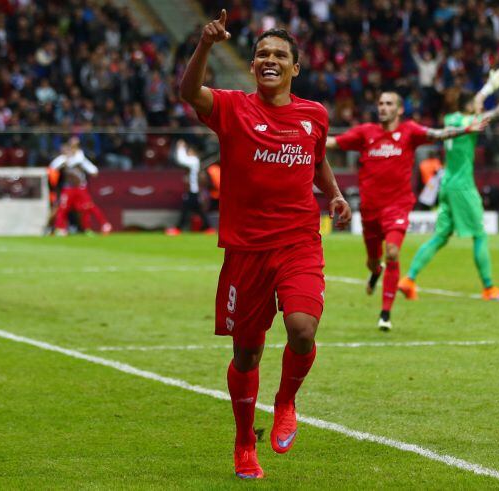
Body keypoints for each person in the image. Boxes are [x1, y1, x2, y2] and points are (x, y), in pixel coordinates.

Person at [179, 11, 351, 480]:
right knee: (246, 354)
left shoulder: (314, 114)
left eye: (279, 55)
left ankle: (286, 401)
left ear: (296, 68)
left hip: (298, 242)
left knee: (301, 329)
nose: (269, 60)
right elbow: (188, 93)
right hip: (247, 251)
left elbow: (316, 161)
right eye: (262, 55)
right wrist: (206, 46)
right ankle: (242, 442)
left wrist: (334, 193)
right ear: (253, 66)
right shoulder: (232, 107)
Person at [326, 91, 488, 331]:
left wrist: (466, 130)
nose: (382, 107)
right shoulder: (365, 133)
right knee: (373, 261)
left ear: (400, 109)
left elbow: (439, 134)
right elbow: (332, 142)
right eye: (380, 103)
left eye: (388, 103)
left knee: (392, 253)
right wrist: (303, 134)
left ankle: (385, 314)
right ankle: (375, 271)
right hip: (370, 210)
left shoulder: (410, 131)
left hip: (397, 207)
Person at [399, 69, 499, 303]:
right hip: (462, 187)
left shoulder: (450, 119)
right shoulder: (470, 122)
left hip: (446, 184)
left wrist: (489, 88)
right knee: (479, 235)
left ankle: (409, 279)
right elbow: (498, 112)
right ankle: (489, 288)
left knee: (440, 236)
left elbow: (471, 102)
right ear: (468, 107)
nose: (479, 106)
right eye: (475, 104)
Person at [49, 137, 112, 236]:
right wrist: (64, 159)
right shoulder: (64, 157)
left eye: (75, 146)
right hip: (68, 187)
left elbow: (94, 171)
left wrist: (70, 161)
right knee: (63, 208)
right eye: (71, 145)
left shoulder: (80, 157)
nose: (72, 148)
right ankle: (60, 229)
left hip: (80, 188)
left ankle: (103, 225)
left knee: (88, 207)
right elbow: (52, 166)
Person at [165, 140, 216, 236]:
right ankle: (208, 228)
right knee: (197, 210)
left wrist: (181, 147)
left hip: (194, 190)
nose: (188, 153)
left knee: (186, 210)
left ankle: (178, 228)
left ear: (192, 152)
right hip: (193, 191)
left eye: (189, 151)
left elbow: (181, 159)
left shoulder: (194, 160)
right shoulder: (194, 161)